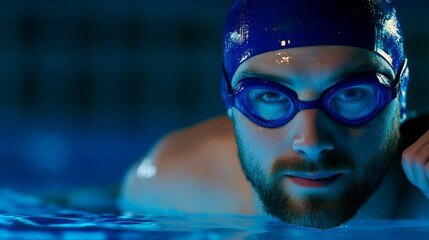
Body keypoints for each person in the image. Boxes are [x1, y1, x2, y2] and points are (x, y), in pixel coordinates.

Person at [118, 0, 429, 229]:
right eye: (269, 96)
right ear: (230, 100)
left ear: (399, 96)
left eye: (351, 94)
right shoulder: (171, 185)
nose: (311, 141)